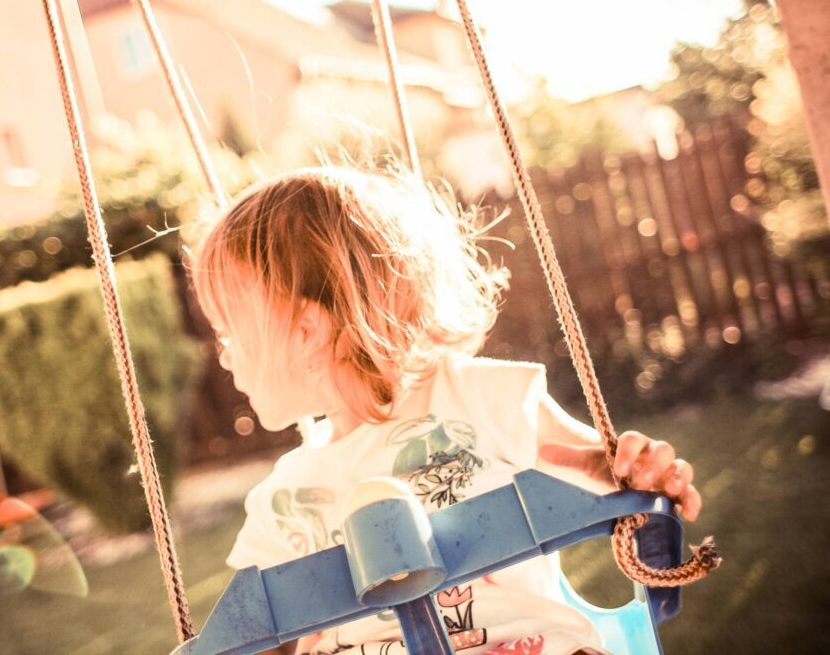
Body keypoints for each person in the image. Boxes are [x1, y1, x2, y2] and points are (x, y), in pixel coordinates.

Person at [188, 166, 702, 655]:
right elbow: (253, 635)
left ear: (307, 330)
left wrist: (635, 470)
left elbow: (604, 470)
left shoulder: (481, 398)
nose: (223, 354)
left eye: (229, 332)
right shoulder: (282, 500)